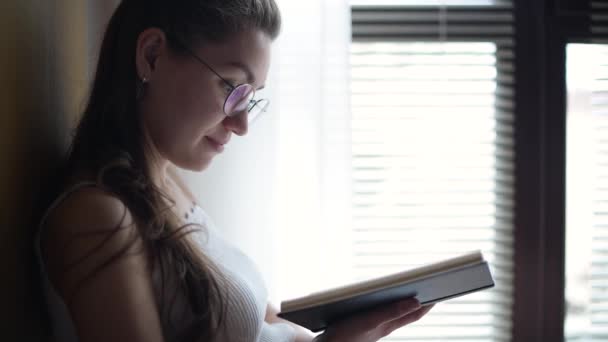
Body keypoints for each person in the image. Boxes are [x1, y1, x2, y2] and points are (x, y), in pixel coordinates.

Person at [33, 0, 434, 341]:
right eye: (232, 88)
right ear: (152, 55)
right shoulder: (97, 217)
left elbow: (256, 320)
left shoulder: (166, 184)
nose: (242, 125)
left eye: (251, 98)